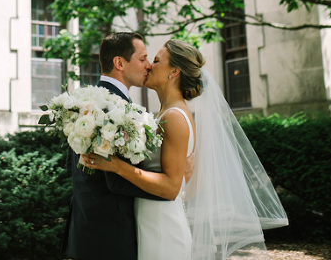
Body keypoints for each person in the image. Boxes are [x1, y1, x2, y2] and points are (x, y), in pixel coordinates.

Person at [81, 39, 288, 260]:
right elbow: (185, 184)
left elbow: (170, 189)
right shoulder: (162, 115)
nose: (149, 65)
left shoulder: (175, 117)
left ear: (174, 72)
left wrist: (118, 168)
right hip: (151, 220)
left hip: (163, 229)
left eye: (157, 60)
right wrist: (181, 182)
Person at [62, 31, 166, 260]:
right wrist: (168, 190)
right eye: (142, 59)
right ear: (119, 62)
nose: (148, 66)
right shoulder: (111, 107)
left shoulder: (85, 101)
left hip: (87, 228)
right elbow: (115, 179)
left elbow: (72, 167)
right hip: (109, 234)